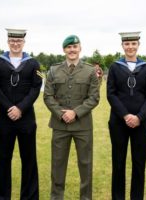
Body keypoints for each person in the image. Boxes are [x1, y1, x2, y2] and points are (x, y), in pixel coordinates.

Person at [43, 35, 100, 200]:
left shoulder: (90, 71)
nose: (72, 50)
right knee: (58, 164)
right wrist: (62, 113)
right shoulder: (54, 70)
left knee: (85, 164)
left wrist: (75, 112)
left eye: (75, 46)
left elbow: (94, 98)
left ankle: (86, 197)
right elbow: (48, 96)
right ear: (64, 50)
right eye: (69, 47)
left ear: (80, 48)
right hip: (60, 125)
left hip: (82, 125)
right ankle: (56, 197)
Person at [0, 28, 42, 200]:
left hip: (26, 119)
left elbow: (36, 88)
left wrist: (20, 108)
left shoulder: (33, 63)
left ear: (23, 43)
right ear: (8, 42)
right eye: (12, 41)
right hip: (4, 119)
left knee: (29, 160)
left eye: (18, 41)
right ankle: (1, 197)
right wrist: (9, 108)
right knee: (3, 160)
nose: (15, 44)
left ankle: (29, 196)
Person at [107, 32, 146, 200]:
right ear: (122, 46)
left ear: (138, 45)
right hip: (119, 122)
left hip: (141, 123)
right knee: (118, 163)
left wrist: (139, 117)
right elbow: (111, 94)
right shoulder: (114, 67)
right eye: (127, 44)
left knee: (139, 163)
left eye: (133, 44)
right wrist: (126, 116)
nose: (130, 47)